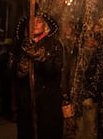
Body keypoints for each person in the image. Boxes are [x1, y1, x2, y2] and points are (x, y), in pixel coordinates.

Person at [8, 11, 63, 139]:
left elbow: (55, 70)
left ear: (45, 26)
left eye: (39, 21)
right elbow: (10, 69)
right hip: (26, 101)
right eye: (32, 21)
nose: (35, 24)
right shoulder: (19, 45)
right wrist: (21, 67)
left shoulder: (54, 44)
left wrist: (42, 58)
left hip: (48, 102)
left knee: (47, 132)